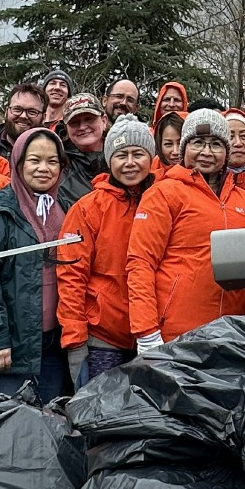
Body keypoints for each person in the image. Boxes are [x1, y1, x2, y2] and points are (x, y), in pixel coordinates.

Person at [126, 110, 245, 350]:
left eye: (216, 145)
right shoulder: (163, 193)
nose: (206, 153)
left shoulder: (244, 201)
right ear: (184, 148)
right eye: (198, 143)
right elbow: (141, 263)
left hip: (232, 335)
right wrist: (146, 332)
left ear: (227, 153)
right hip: (177, 334)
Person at [0, 128, 70, 399]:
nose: (43, 169)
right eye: (34, 160)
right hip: (10, 347)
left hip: (53, 347)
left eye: (52, 161)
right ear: (18, 163)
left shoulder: (67, 209)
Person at [59, 117, 158, 385]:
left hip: (155, 334)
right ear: (109, 159)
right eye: (121, 155)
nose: (129, 163)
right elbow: (71, 275)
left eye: (138, 154)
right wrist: (74, 337)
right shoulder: (88, 207)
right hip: (102, 335)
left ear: (151, 157)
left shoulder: (162, 200)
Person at [57, 93, 107, 205]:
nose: (82, 127)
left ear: (104, 121)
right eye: (74, 122)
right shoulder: (59, 166)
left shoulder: (124, 158)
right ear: (66, 128)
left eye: (89, 119)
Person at [0, 83, 49, 160]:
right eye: (17, 109)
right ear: (7, 112)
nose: (23, 116)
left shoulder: (54, 153)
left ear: (44, 118)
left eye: (32, 112)